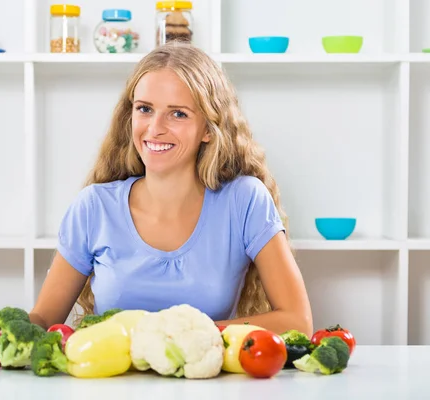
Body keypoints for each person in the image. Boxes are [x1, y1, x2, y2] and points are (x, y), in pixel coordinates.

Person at [29, 42, 313, 337]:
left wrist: (182, 334)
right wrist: (12, 329)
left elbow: (297, 321)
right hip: (111, 383)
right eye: (145, 109)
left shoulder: (244, 201)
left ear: (208, 128)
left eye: (178, 114)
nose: (154, 128)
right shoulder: (94, 207)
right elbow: (44, 317)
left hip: (208, 383)